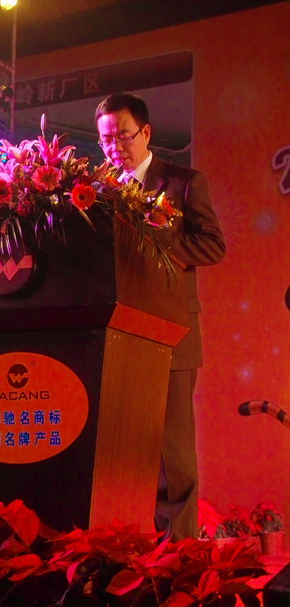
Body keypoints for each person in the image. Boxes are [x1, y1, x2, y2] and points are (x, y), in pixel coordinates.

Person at [95, 92, 225, 541]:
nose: (115, 147)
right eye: (106, 140)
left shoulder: (184, 182)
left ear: (145, 132)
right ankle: (133, 545)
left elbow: (212, 245)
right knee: (125, 448)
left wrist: (155, 243)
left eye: (123, 136)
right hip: (117, 333)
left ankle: (179, 554)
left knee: (172, 454)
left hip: (172, 330)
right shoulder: (97, 189)